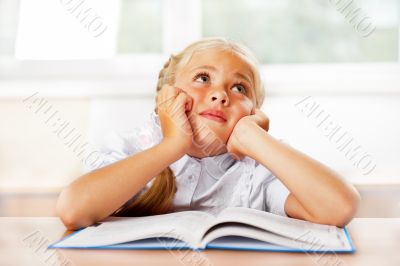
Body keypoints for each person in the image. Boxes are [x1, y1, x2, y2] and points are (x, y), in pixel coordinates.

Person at [56, 37, 360, 230]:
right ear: (168, 95)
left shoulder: (256, 171)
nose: (220, 95)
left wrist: (254, 139)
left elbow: (339, 207)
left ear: (255, 112)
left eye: (239, 88)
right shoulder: (131, 149)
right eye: (203, 78)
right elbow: (73, 209)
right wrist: (173, 145)